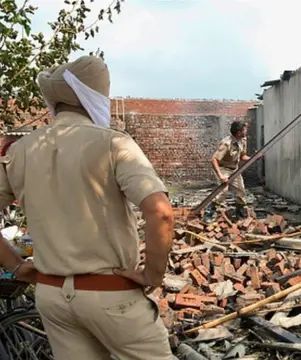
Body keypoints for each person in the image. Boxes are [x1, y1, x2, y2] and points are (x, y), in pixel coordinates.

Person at [0, 55, 175, 359]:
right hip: (111, 296)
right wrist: (152, 276)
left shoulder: (21, 150)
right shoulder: (112, 143)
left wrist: (14, 265)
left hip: (53, 297)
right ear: (93, 98)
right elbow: (160, 212)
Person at [209, 121, 253, 219]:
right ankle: (208, 214)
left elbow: (243, 156)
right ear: (238, 132)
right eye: (244, 129)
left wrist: (253, 158)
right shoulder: (226, 143)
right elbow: (214, 160)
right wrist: (221, 176)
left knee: (240, 192)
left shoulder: (243, 140)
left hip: (235, 170)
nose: (246, 131)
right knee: (223, 192)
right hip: (223, 169)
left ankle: (240, 216)